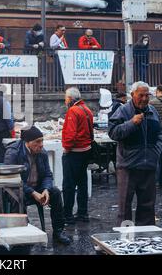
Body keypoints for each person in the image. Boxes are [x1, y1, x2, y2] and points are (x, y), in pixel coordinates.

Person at [4, 126, 71, 245]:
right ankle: (22, 234)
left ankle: (58, 232)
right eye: (37, 142)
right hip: (18, 188)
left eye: (42, 140)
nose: (41, 144)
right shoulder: (13, 152)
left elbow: (47, 175)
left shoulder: (42, 152)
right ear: (27, 143)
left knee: (55, 192)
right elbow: (12, 179)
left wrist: (46, 189)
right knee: (18, 196)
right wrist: (32, 193)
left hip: (37, 187)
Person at [108, 81, 162, 226]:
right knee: (124, 208)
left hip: (149, 166)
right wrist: (132, 123)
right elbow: (113, 133)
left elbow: (159, 134)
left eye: (147, 95)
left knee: (147, 207)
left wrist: (156, 151)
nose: (145, 99)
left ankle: (145, 239)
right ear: (132, 95)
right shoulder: (123, 111)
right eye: (141, 95)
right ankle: (125, 240)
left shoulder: (153, 111)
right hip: (128, 167)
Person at [61, 87, 93, 225]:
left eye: (65, 98)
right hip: (86, 150)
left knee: (69, 185)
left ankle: (67, 215)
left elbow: (71, 134)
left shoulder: (73, 111)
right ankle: (82, 213)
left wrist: (67, 148)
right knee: (82, 183)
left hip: (75, 152)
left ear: (69, 98)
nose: (65, 100)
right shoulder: (87, 109)